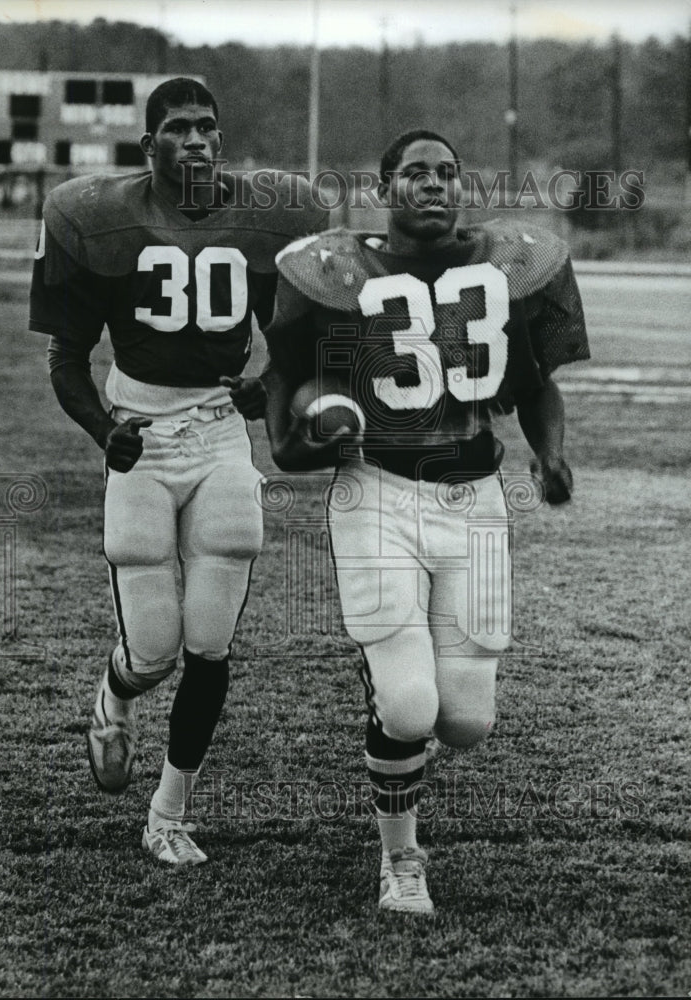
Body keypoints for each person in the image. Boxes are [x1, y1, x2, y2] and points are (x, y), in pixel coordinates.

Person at [262, 129, 589, 913]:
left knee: (468, 721)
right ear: (385, 187)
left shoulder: (504, 263)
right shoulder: (333, 270)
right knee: (410, 706)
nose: (436, 185)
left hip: (474, 498)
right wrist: (318, 426)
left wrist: (548, 456)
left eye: (448, 172)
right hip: (378, 489)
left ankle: (393, 684)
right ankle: (400, 859)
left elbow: (539, 383)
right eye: (417, 173)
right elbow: (288, 408)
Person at [29, 77, 327, 865]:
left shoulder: (267, 217)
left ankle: (169, 809)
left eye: (208, 128)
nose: (197, 140)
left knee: (210, 643)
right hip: (141, 435)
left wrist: (273, 382)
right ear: (148, 146)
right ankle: (116, 693)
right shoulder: (97, 218)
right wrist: (104, 430)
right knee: (154, 650)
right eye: (180, 129)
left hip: (223, 434)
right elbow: (66, 359)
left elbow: (303, 335)